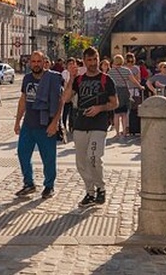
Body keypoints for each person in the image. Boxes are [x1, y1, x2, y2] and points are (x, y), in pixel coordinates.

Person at [63, 47, 117, 207]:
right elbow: (66, 99)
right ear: (84, 61)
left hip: (99, 125)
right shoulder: (79, 80)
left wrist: (100, 108)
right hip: (80, 124)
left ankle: (101, 187)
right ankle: (90, 191)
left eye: (95, 59)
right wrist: (72, 78)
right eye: (90, 60)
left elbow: (115, 103)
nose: (93, 63)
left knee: (93, 157)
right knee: (81, 162)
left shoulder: (106, 80)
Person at [14, 51, 64, 199]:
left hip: (46, 124)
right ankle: (29, 183)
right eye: (33, 61)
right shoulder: (27, 78)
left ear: (44, 62)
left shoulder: (53, 78)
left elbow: (60, 101)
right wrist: (17, 121)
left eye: (38, 61)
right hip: (29, 124)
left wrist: (55, 123)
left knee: (48, 158)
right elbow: (23, 100)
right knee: (22, 153)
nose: (36, 64)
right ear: (30, 63)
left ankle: (49, 186)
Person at [106, 55, 141, 138]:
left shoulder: (110, 72)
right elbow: (133, 80)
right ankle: (125, 132)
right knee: (124, 114)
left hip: (115, 92)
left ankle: (117, 133)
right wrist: (140, 86)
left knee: (116, 114)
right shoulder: (126, 70)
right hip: (125, 92)